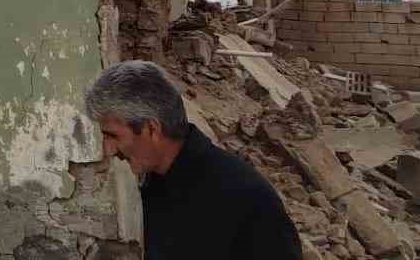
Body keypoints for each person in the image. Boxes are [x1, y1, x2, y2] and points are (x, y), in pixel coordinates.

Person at [85, 60, 301, 259]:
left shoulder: (246, 197)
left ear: (151, 129)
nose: (108, 150)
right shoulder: (153, 184)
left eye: (113, 136)